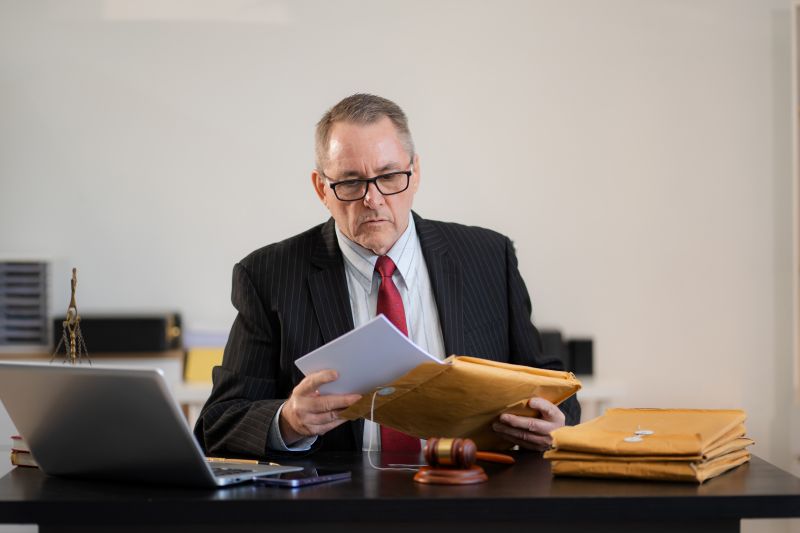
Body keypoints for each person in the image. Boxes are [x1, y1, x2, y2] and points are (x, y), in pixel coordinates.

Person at [194, 94, 580, 458]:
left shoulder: (488, 257)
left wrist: (555, 426)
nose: (373, 199)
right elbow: (218, 424)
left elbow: (553, 387)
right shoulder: (268, 275)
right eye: (350, 182)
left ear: (415, 172)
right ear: (321, 188)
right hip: (338, 507)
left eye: (390, 176)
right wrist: (289, 422)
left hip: (474, 493)